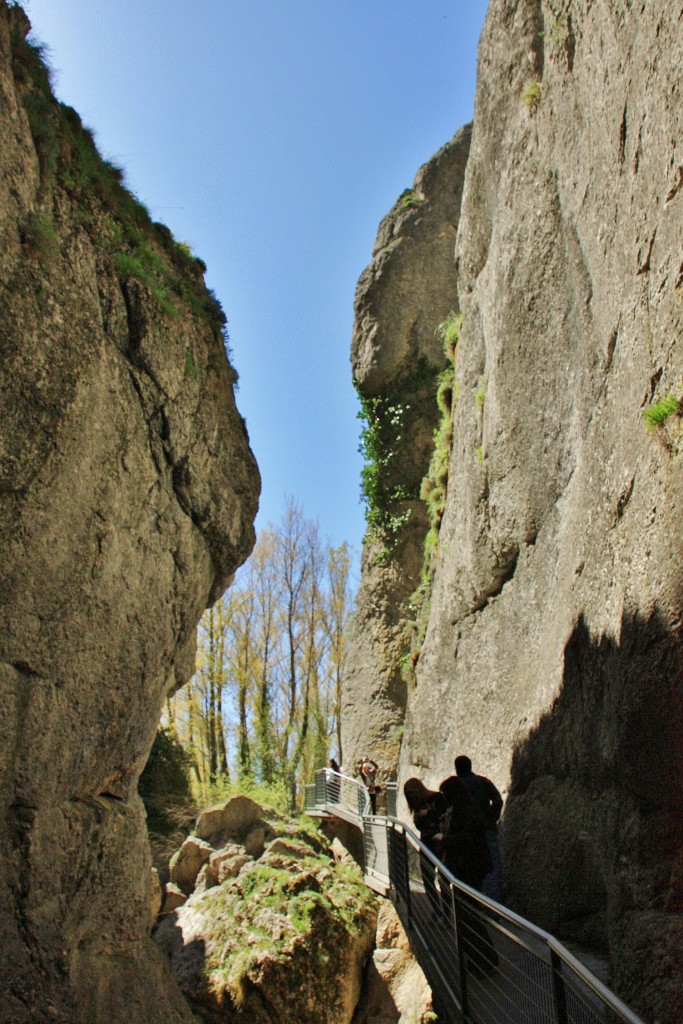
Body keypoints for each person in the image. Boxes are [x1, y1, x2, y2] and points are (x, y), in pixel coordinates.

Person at [454, 755, 503, 902]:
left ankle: (474, 905)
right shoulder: (483, 781)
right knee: (493, 870)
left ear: (457, 769)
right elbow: (497, 800)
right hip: (487, 829)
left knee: (471, 870)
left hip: (467, 834)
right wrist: (492, 816)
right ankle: (494, 909)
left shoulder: (457, 785)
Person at [404, 777, 448, 914]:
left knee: (443, 879)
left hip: (440, 842)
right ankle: (438, 911)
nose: (411, 796)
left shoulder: (437, 798)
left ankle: (446, 912)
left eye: (412, 792)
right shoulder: (417, 805)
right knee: (427, 878)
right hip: (427, 844)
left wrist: (427, 813)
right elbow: (420, 827)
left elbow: (445, 815)